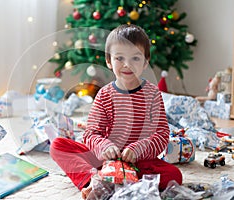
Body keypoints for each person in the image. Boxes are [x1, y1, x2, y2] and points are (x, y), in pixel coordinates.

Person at [50, 24, 182, 199]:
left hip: (139, 161)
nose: (127, 65)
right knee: (58, 146)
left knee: (175, 176)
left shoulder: (152, 94)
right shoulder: (104, 95)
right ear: (109, 62)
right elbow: (91, 134)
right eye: (120, 58)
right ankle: (94, 181)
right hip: (104, 160)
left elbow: (161, 134)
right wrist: (105, 146)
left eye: (135, 58)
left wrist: (137, 149)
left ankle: (122, 182)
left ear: (145, 62)